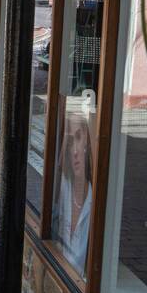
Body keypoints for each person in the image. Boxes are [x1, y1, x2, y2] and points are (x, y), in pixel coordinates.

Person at [52, 112, 93, 270]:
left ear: (87, 143)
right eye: (69, 143)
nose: (75, 151)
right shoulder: (62, 188)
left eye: (78, 138)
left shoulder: (94, 202)